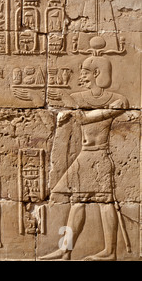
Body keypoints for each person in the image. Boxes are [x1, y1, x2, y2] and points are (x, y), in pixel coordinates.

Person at [41, 52, 128, 261]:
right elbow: (67, 117)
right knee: (78, 202)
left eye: (85, 72)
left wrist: (72, 111)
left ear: (97, 73)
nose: (81, 76)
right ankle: (66, 249)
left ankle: (110, 251)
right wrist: (63, 114)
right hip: (85, 156)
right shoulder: (78, 98)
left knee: (104, 202)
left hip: (100, 157)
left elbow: (89, 117)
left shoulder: (118, 100)